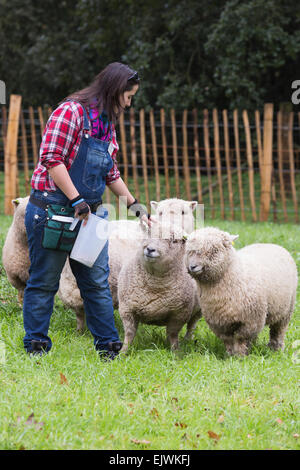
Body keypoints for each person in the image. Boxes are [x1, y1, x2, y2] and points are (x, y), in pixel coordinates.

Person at [23, 62, 151, 360]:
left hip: (88, 217)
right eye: (129, 97)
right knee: (44, 282)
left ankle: (108, 348)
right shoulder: (70, 112)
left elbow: (110, 171)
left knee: (96, 283)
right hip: (53, 210)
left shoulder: (105, 123)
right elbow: (51, 158)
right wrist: (76, 198)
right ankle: (36, 348)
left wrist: (134, 204)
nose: (130, 104)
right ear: (116, 90)